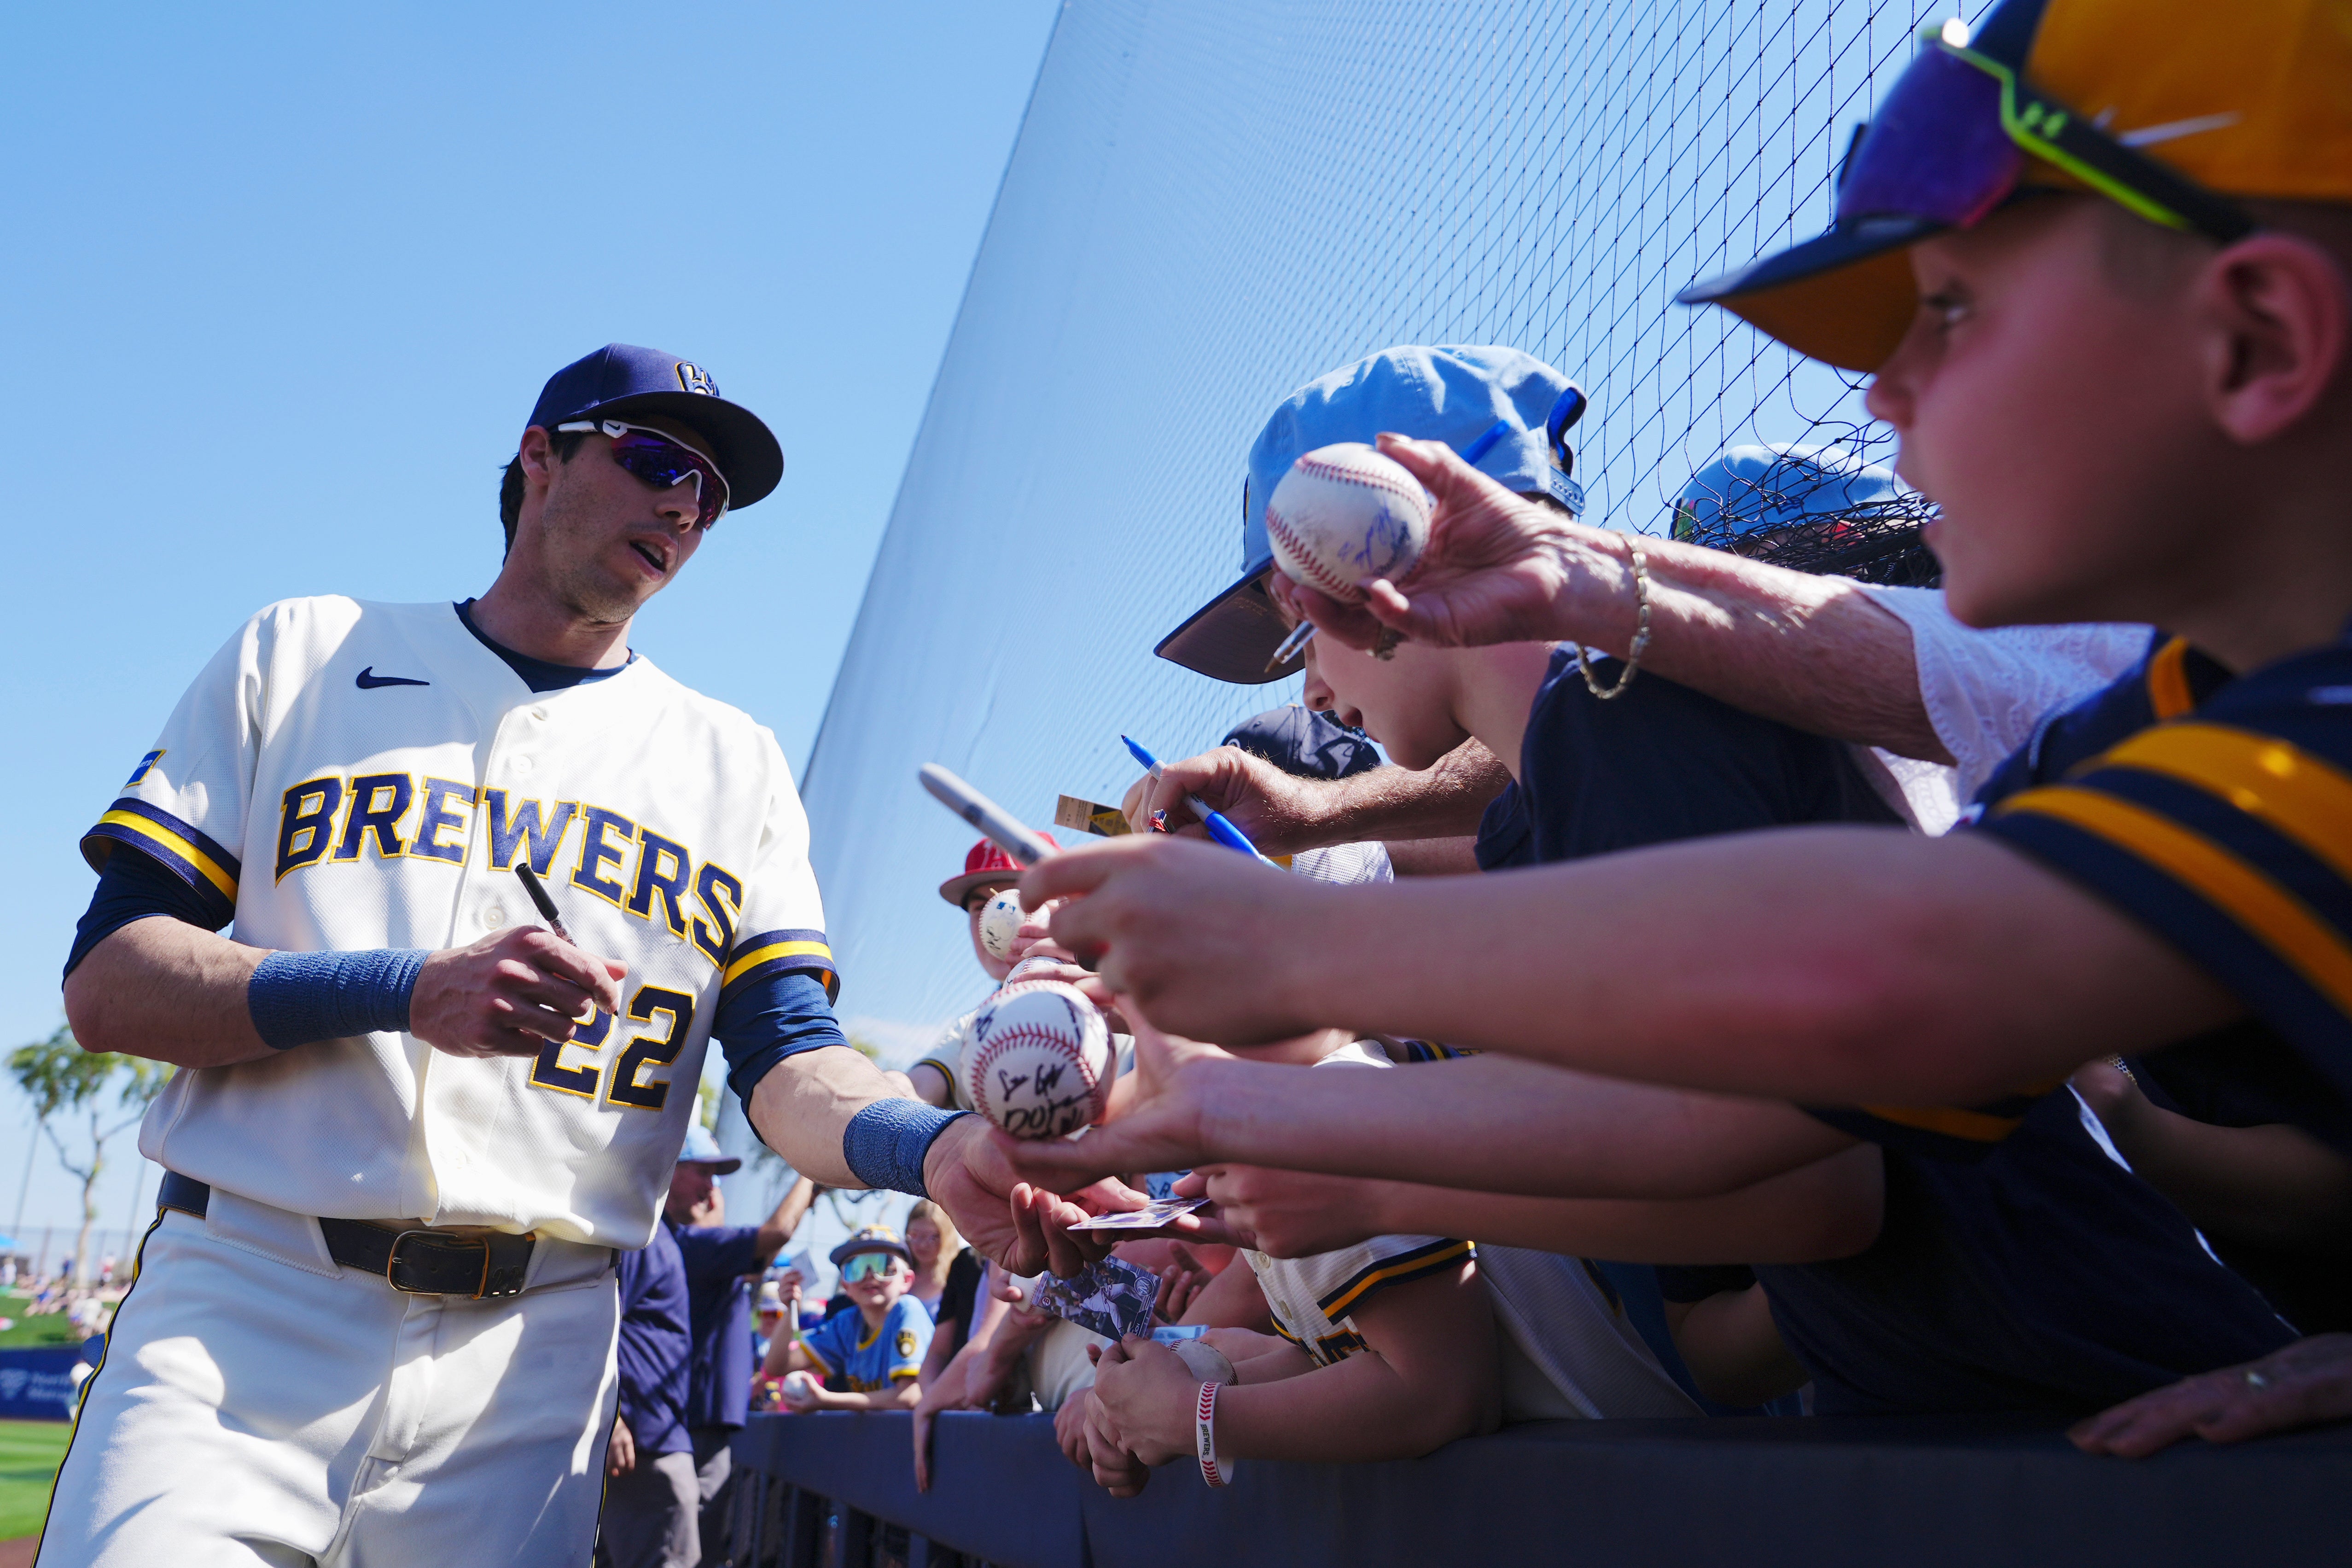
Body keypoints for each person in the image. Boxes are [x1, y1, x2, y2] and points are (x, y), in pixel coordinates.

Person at [1014, 0, 2352, 1452]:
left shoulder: (2300, 732)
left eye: (1948, 311)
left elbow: (1900, 979)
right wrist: (1239, 1110)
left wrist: (1290, 969)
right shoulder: (2138, 736)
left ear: (2258, 336)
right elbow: (1798, 1095)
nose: (1877, 389)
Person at [40, 343, 1071, 1566]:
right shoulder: (308, 649)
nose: (684, 502)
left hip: (535, 1351)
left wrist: (930, 1141)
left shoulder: (729, 762)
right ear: (541, 455)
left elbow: (792, 1059)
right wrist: (405, 988)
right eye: (651, 459)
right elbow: (109, 980)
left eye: (711, 491)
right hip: (249, 1301)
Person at [663, 1129, 812, 1566]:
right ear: (667, 1173)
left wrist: (810, 1194)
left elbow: (761, 1253)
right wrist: (811, 1173)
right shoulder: (683, 1243)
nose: (713, 1189)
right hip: (691, 1426)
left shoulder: (690, 1246)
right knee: (684, 1552)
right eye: (703, 1173)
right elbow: (777, 1233)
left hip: (699, 1424)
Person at [598, 1219, 695, 1568]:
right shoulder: (636, 1228)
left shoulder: (649, 1229)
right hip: (640, 1448)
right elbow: (597, 1324)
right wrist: (609, 1413)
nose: (710, 1189)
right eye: (701, 1172)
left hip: (644, 1445)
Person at [764, 1227, 932, 1411]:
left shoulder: (908, 1310)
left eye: (883, 1265)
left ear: (907, 1280)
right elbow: (776, 1367)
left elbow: (909, 1397)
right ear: (846, 1285)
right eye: (855, 1268)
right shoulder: (847, 1323)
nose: (869, 1275)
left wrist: (826, 1400)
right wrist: (791, 1309)